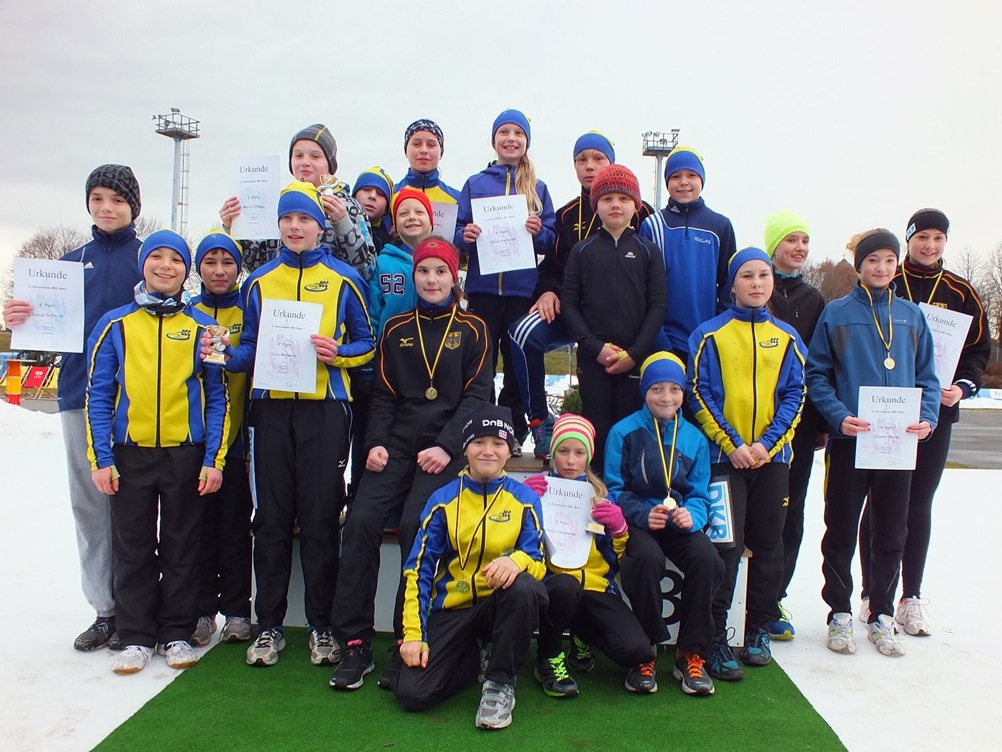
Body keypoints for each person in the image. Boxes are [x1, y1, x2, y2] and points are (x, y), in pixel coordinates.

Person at [210, 181, 375, 668]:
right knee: (272, 519)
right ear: (278, 225)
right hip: (270, 411)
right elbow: (248, 347)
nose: (295, 227)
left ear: (321, 226)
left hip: (326, 409)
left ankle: (322, 625)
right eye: (287, 219)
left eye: (304, 219)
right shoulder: (259, 281)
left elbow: (367, 345)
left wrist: (337, 353)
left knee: (322, 518)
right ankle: (270, 625)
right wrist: (224, 354)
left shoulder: (344, 279)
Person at [329, 237, 492, 691]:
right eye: (424, 271)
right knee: (360, 522)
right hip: (397, 443)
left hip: (445, 447)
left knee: (415, 528)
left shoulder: (475, 328)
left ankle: (408, 636)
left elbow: (478, 397)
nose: (432, 279)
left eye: (441, 271)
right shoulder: (396, 327)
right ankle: (356, 642)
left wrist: (446, 446)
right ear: (414, 276)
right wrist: (376, 443)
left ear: (454, 277)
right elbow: (383, 395)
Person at [3, 164, 143, 652]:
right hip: (79, 395)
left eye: (117, 200)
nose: (107, 208)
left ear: (134, 207)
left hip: (138, 400)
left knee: (139, 504)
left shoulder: (149, 260)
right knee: (90, 504)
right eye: (98, 198)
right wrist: (20, 318)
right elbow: (42, 334)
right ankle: (105, 609)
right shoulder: (66, 265)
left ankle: (142, 606)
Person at [86, 229, 229, 674]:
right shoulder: (115, 324)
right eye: (157, 257)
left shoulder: (205, 329)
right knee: (133, 547)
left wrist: (213, 459)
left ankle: (176, 632)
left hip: (186, 454)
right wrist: (101, 459)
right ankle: (135, 635)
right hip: (130, 454)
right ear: (143, 263)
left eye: (176, 260)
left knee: (182, 546)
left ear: (187, 272)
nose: (166, 266)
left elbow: (217, 397)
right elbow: (98, 394)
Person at [805, 229, 939, 657]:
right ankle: (839, 613)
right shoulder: (837, 313)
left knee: (892, 532)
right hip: (851, 441)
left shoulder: (912, 317)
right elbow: (816, 375)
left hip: (897, 445)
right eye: (872, 260)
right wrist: (838, 416)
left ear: (897, 264)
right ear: (859, 265)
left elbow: (928, 377)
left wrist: (927, 417)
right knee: (841, 529)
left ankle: (881, 613)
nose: (881, 268)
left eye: (888, 260)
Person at [858, 209, 989, 636]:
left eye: (938, 238)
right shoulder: (887, 280)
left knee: (918, 505)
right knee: (879, 502)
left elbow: (977, 353)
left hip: (935, 414)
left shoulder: (961, 292)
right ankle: (871, 594)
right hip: (885, 412)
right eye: (922, 237)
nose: (930, 245)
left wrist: (962, 387)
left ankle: (909, 597)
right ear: (908, 239)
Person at [688, 247, 806, 679]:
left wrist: (767, 446)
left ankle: (757, 628)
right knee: (725, 549)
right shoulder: (708, 335)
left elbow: (796, 395)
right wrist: (734, 444)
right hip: (724, 459)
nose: (756, 283)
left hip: (772, 460)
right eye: (747, 276)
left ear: (772, 282)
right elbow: (699, 392)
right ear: (732, 285)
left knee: (769, 544)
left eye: (763, 275)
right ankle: (717, 636)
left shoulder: (788, 338)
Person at [394, 404, 548, 731]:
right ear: (465, 448)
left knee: (525, 588)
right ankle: (473, 653)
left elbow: (539, 563)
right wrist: (414, 634)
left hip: (498, 607)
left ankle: (500, 681)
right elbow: (418, 570)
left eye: (498, 443)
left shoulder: (525, 499)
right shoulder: (442, 499)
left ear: (509, 450)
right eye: (479, 442)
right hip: (453, 609)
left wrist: (516, 560)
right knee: (412, 694)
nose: (488, 451)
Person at [508, 132, 655, 458]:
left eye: (598, 158)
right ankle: (539, 421)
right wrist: (548, 291)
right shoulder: (565, 215)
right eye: (581, 159)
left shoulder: (642, 212)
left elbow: (655, 276)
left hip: (624, 320)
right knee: (522, 332)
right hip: (573, 312)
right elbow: (551, 267)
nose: (589, 166)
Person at [606, 353, 724, 697]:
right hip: (641, 522)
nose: (666, 397)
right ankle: (646, 650)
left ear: (683, 393)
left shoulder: (695, 438)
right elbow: (614, 489)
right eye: (657, 388)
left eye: (674, 389)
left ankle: (691, 653)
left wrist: (693, 516)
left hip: (678, 522)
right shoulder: (623, 431)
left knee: (707, 560)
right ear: (644, 391)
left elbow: (699, 494)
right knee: (645, 559)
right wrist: (642, 515)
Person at [523, 413, 656, 697]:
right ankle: (548, 657)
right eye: (563, 451)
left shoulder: (601, 495)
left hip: (596, 587)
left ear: (589, 456)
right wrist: (521, 502)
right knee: (564, 587)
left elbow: (617, 559)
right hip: (554, 587)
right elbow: (518, 543)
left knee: (636, 651)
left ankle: (582, 635)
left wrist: (619, 529)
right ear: (552, 453)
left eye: (579, 453)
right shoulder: (536, 489)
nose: (571, 460)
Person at [456, 109, 557, 453]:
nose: (511, 138)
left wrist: (538, 231)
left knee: (516, 367)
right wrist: (466, 235)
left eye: (518, 133)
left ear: (526, 141)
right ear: (493, 140)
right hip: (483, 291)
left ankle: (512, 431)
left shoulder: (538, 187)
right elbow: (458, 232)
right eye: (504, 132)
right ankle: (484, 431)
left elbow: (551, 241)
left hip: (521, 293)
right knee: (481, 365)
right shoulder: (476, 183)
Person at [560, 164, 666, 471]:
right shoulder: (582, 251)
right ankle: (596, 490)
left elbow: (658, 305)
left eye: (623, 198)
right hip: (595, 358)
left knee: (631, 429)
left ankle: (628, 494)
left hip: (635, 357)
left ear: (636, 205)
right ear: (596, 206)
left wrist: (636, 353)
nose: (615, 205)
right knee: (599, 428)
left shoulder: (649, 251)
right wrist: (594, 347)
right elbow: (569, 304)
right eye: (607, 199)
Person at [761, 211, 827, 641]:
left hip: (797, 427)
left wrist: (818, 422)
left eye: (804, 240)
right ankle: (744, 595)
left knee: (792, 511)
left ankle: (774, 597)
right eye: (791, 240)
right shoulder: (754, 287)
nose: (799, 248)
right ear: (773, 246)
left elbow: (819, 365)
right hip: (751, 425)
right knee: (755, 512)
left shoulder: (815, 300)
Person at [190, 231, 253, 646]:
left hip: (237, 439)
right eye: (210, 262)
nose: (219, 271)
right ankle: (199, 608)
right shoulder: (186, 312)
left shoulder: (249, 309)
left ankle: (236, 609)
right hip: (194, 441)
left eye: (227, 262)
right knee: (196, 528)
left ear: (239, 268)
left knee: (234, 526)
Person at [219, 123, 374, 276]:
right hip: (282, 290)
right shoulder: (278, 204)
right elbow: (258, 264)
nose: (305, 162)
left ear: (329, 165)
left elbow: (366, 270)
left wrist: (343, 223)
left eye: (315, 156)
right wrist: (233, 226)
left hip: (331, 291)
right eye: (298, 155)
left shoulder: (347, 206)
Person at [639, 146, 737, 366]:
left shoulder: (720, 226)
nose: (684, 182)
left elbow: (729, 287)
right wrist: (659, 340)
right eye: (676, 176)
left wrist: (718, 333)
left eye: (691, 175)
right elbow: (644, 290)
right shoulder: (652, 225)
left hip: (708, 341)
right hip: (663, 342)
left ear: (702, 180)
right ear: (667, 182)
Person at [368, 188, 435, 339]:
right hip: (391, 349)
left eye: (419, 212)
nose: (412, 217)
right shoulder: (382, 263)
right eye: (403, 213)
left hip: (433, 349)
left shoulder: (442, 262)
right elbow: (373, 317)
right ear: (395, 225)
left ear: (431, 221)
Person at [395, 119, 461, 204]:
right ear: (406, 151)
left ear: (441, 153)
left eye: (431, 145)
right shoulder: (389, 197)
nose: (424, 150)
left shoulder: (457, 200)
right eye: (416, 144)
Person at [353, 166, 395, 253]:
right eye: (366, 190)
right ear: (354, 195)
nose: (372, 196)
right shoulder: (332, 225)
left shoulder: (389, 246)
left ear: (386, 209)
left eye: (380, 194)